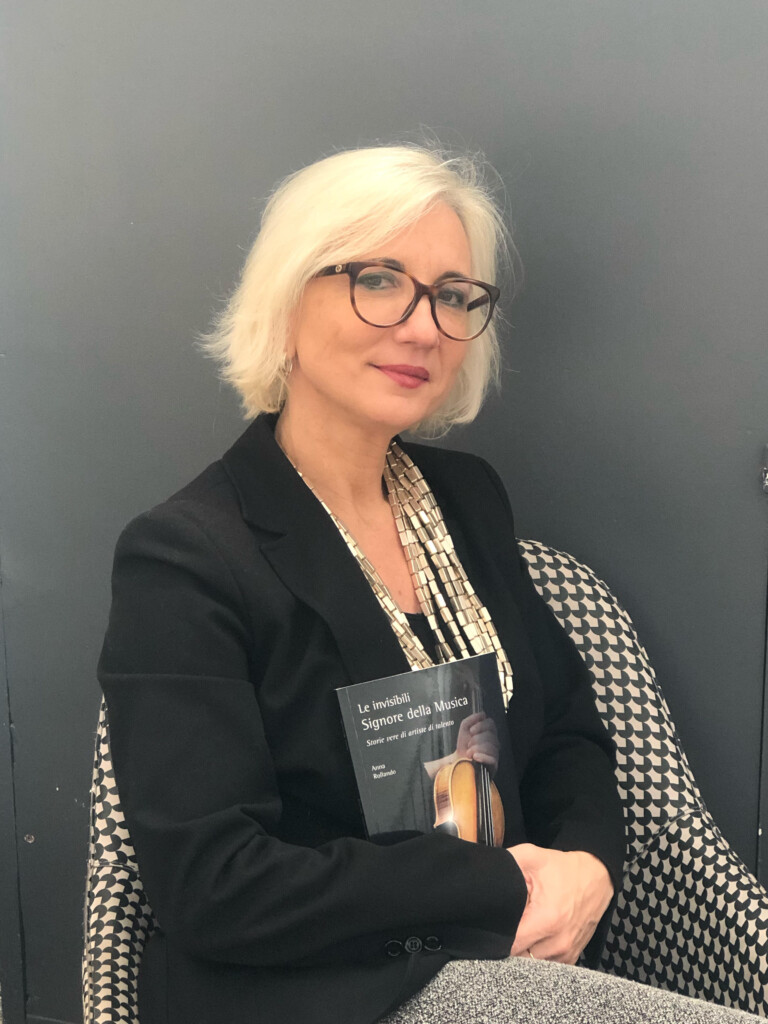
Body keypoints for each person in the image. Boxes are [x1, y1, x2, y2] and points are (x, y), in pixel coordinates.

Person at [99, 144, 757, 1023]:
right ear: (286, 300)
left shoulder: (467, 499)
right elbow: (215, 885)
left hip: (512, 961)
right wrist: (500, 884)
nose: (423, 328)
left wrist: (588, 867)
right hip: (322, 990)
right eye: (379, 280)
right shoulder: (186, 558)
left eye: (452, 295)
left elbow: (569, 731)